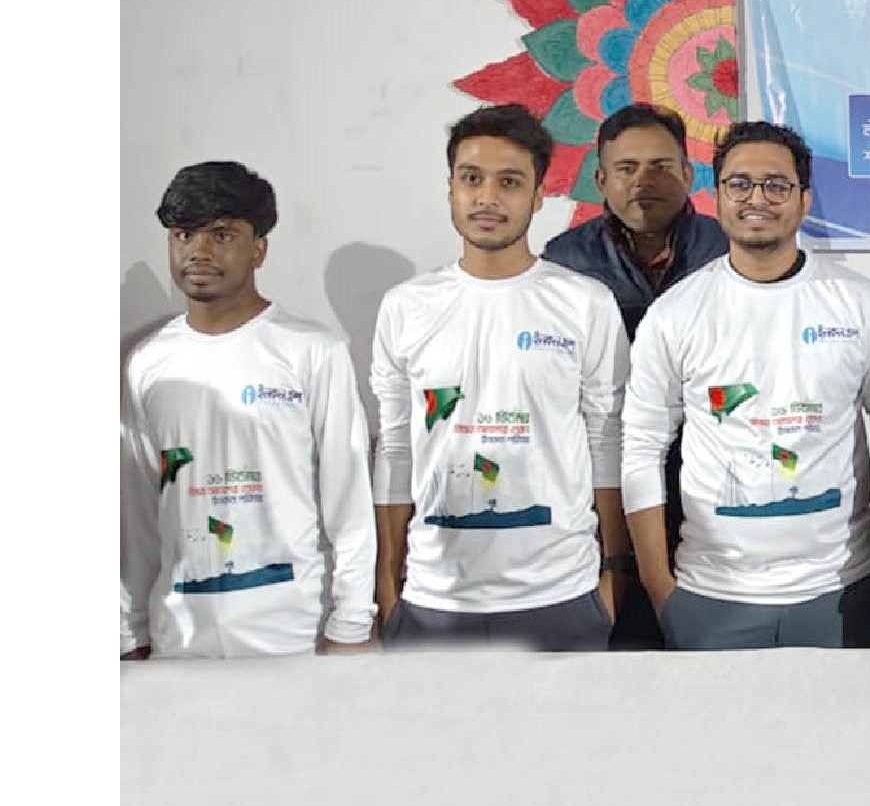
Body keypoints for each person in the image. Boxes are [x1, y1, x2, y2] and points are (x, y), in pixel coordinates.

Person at [620, 122, 870, 650]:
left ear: (804, 200)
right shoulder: (675, 314)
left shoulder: (864, 305)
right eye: (740, 183)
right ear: (718, 196)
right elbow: (639, 448)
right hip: (711, 597)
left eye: (776, 185)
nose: (757, 198)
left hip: (843, 593)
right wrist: (659, 586)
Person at [369, 104, 630, 651]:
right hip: (434, 600)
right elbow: (395, 449)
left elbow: (606, 441)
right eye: (471, 179)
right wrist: (388, 583)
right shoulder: (406, 307)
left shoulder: (584, 303)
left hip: (561, 594)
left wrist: (612, 576)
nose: (487, 198)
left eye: (509, 182)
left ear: (537, 196)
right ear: (450, 188)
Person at [121, 162, 375, 658]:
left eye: (221, 235)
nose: (198, 251)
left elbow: (349, 505)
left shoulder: (311, 351)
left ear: (259, 248)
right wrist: (129, 632)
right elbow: (138, 517)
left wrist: (351, 623)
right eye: (184, 234)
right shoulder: (147, 363)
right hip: (180, 645)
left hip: (292, 638)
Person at [542, 103, 727, 649]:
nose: (644, 181)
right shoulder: (565, 262)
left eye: (661, 166)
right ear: (601, 180)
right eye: (626, 168)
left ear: (688, 174)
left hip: (710, 477)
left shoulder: (725, 249)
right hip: (601, 483)